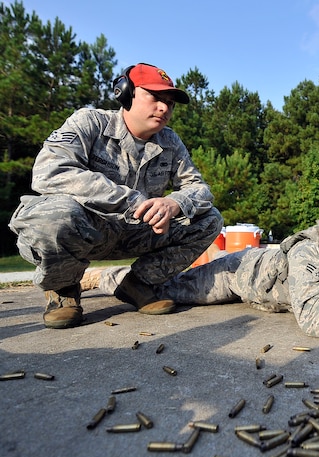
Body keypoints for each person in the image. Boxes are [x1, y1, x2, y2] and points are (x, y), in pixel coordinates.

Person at [9, 63, 224, 329]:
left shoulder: (169, 141)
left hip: (134, 233)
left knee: (209, 218)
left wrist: (174, 203)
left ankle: (138, 283)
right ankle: (63, 289)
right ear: (125, 93)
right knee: (53, 216)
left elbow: (200, 189)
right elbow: (50, 172)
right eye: (155, 97)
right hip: (86, 230)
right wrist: (133, 201)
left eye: (170, 103)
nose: (164, 108)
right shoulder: (89, 122)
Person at [87, 198, 319, 338]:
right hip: (240, 274)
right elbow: (314, 320)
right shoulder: (307, 253)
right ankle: (102, 277)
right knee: (167, 290)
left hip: (272, 291)